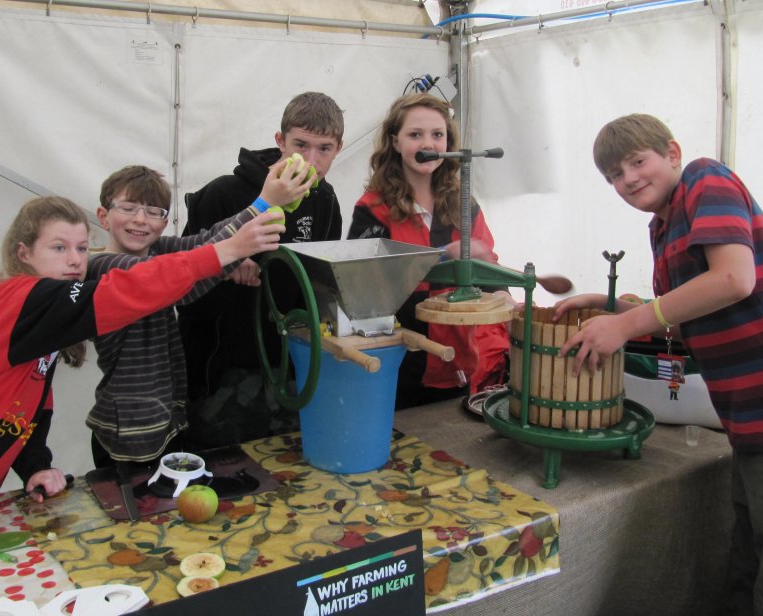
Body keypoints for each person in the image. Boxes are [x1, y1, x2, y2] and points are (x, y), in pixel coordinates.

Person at [0, 186, 294, 521]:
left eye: (81, 248)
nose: (75, 260)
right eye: (58, 248)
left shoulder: (40, 313)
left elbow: (31, 403)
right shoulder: (29, 297)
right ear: (24, 253)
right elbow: (133, 288)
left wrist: (36, 465)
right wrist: (232, 248)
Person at [555, 113, 763, 614]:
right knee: (752, 567)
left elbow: (734, 280)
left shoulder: (705, 179)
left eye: (636, 162)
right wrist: (612, 310)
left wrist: (624, 327)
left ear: (672, 152)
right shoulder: (663, 228)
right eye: (614, 176)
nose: (628, 180)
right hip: (753, 425)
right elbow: (691, 321)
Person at [85, 163, 311, 468]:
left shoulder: (155, 251)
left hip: (166, 422)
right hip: (130, 433)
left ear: (165, 223)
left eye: (154, 212)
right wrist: (260, 209)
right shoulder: (105, 269)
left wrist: (259, 204)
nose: (140, 219)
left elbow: (204, 243)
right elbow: (182, 280)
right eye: (128, 208)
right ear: (103, 216)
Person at [177, 91, 344, 447]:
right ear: (280, 141)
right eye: (301, 144)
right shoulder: (222, 194)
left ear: (339, 149)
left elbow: (320, 289)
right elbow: (181, 288)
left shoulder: (327, 203)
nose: (311, 160)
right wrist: (227, 262)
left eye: (324, 148)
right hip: (218, 379)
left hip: (289, 371)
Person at [348, 93, 516, 410]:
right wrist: (441, 256)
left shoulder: (463, 204)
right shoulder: (373, 210)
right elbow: (364, 289)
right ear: (395, 142)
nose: (429, 144)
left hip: (460, 364)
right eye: (415, 134)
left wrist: (505, 299)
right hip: (399, 366)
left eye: (438, 135)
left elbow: (487, 266)